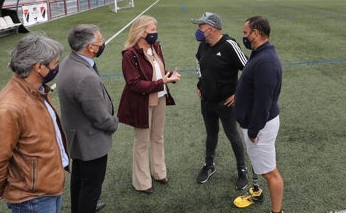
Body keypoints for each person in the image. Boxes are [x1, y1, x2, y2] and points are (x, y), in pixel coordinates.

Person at [0, 33, 68, 213]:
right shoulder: (9, 108)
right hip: (32, 198)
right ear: (39, 67)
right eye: (55, 64)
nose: (58, 68)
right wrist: (16, 191)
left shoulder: (38, 91)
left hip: (48, 188)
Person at [57, 24, 119, 213]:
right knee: (91, 186)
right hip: (90, 142)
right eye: (100, 42)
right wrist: (114, 122)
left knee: (79, 180)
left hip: (76, 137)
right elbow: (100, 118)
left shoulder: (68, 63)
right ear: (90, 47)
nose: (103, 44)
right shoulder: (85, 76)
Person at [117, 15, 181, 194]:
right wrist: (163, 83)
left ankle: (159, 172)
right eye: (152, 30)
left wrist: (169, 75)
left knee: (158, 137)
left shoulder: (155, 47)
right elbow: (134, 83)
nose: (155, 33)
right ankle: (142, 181)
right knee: (142, 142)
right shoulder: (130, 55)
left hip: (159, 98)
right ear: (141, 32)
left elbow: (157, 72)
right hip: (141, 102)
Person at [191, 12, 249, 189]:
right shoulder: (203, 46)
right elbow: (199, 63)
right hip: (207, 101)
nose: (198, 30)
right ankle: (209, 166)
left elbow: (248, 69)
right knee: (211, 134)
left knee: (233, 135)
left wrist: (239, 93)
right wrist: (200, 83)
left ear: (212, 29)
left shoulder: (229, 45)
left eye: (201, 27)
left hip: (226, 103)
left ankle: (242, 170)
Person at [234, 15, 285, 213]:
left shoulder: (265, 62)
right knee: (264, 169)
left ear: (256, 33)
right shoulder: (259, 54)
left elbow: (263, 102)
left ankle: (277, 211)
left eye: (245, 33)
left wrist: (254, 130)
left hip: (259, 126)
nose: (244, 37)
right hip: (254, 123)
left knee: (270, 173)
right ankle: (258, 193)